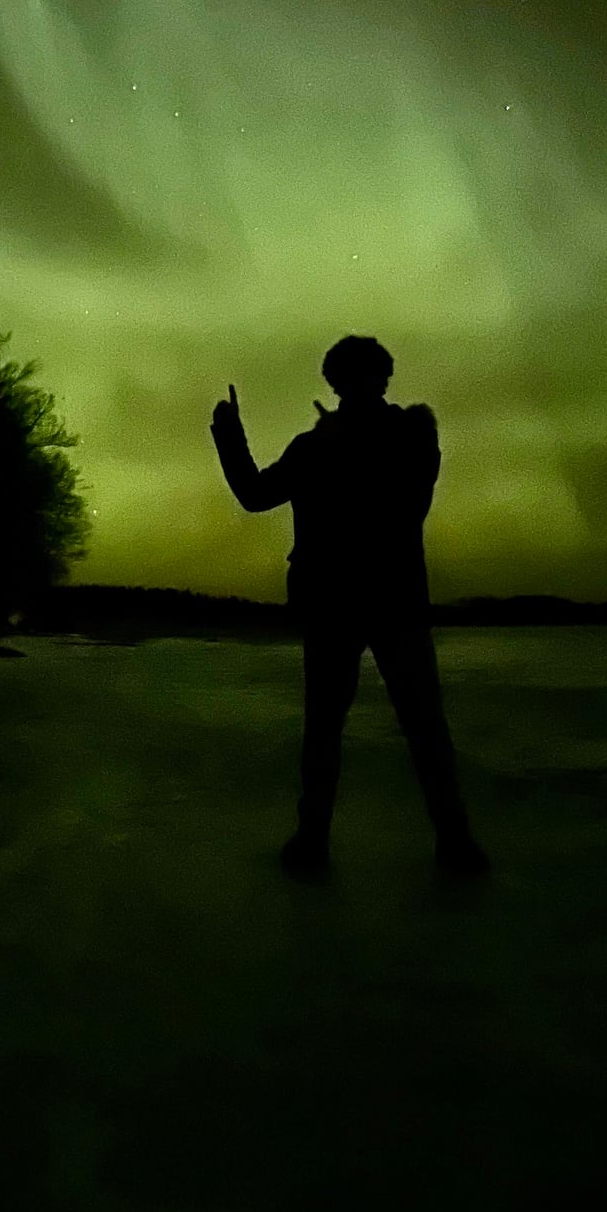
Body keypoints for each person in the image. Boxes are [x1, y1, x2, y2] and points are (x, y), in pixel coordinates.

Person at [210, 334, 490, 879]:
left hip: (388, 602)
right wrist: (230, 433)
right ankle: (316, 840)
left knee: (419, 725)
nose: (358, 386)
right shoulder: (319, 446)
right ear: (337, 383)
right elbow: (256, 495)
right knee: (332, 729)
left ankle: (451, 840)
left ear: (381, 380)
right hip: (340, 605)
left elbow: (411, 502)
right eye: (349, 378)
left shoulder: (405, 437)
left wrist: (345, 445)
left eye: (366, 376)